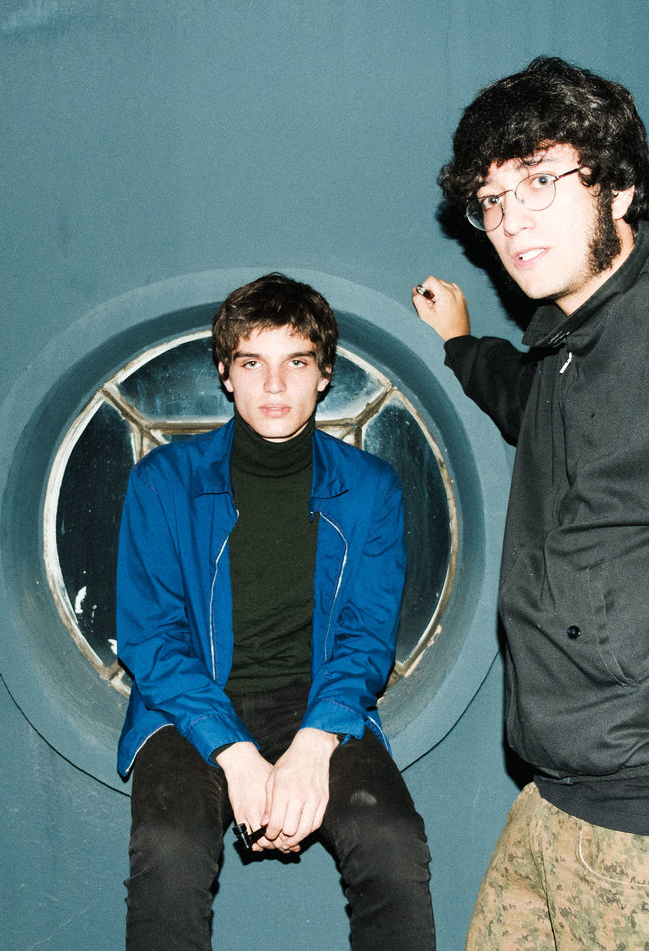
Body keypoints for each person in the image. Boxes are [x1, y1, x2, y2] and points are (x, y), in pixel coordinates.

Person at [117, 272, 436, 950]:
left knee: (391, 840)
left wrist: (314, 746)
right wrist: (236, 756)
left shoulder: (370, 488)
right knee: (168, 847)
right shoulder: (164, 481)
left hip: (316, 699)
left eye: (295, 362)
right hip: (191, 701)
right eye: (251, 363)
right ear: (225, 374)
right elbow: (151, 640)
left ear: (324, 375)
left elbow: (366, 639)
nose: (273, 385)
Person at [413, 56, 649, 951]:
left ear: (617, 186)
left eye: (540, 180)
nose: (512, 220)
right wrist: (461, 344)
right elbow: (525, 400)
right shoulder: (566, 347)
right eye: (493, 199)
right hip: (553, 794)